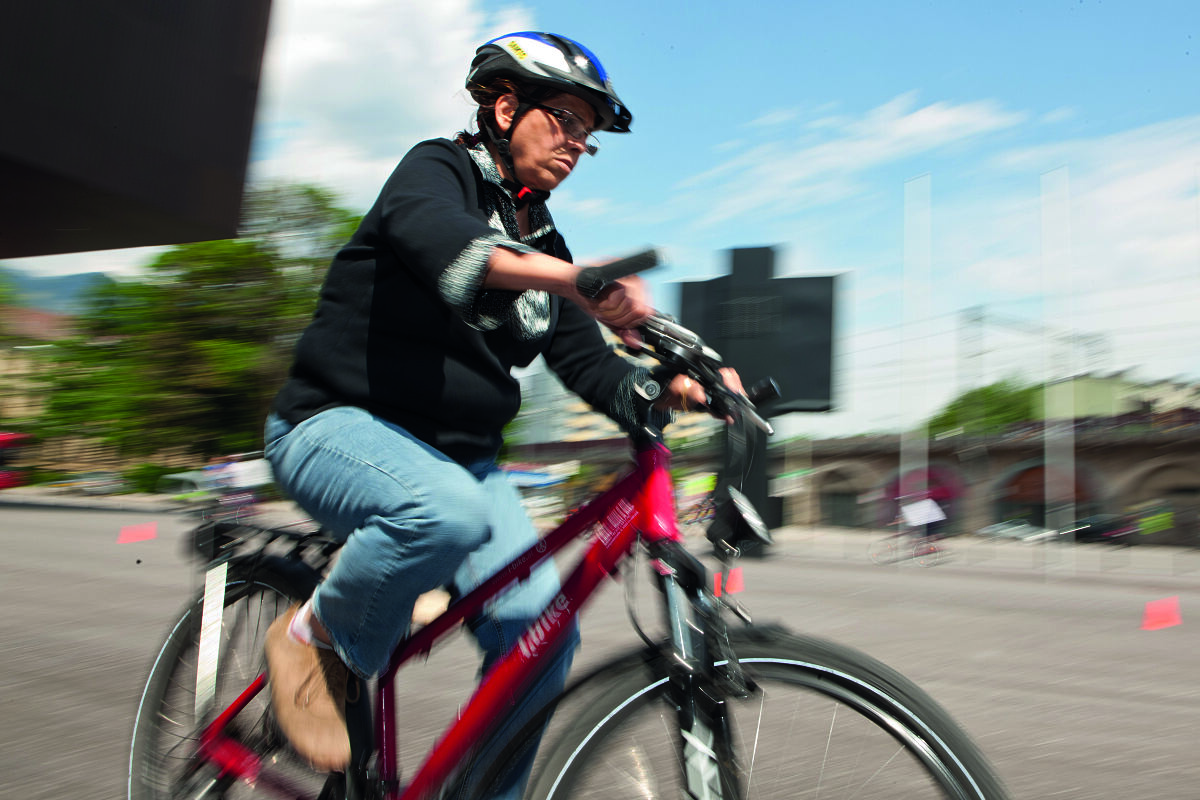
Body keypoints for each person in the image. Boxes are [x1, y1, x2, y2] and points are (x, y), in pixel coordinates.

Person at [261, 31, 736, 795]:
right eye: (567, 121)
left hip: (461, 463)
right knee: (441, 510)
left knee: (542, 638)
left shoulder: (543, 237)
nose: (578, 145)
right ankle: (311, 635)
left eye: (589, 134)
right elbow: (450, 245)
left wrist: (691, 385)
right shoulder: (435, 170)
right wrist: (584, 282)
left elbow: (589, 365)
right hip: (334, 426)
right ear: (506, 107)